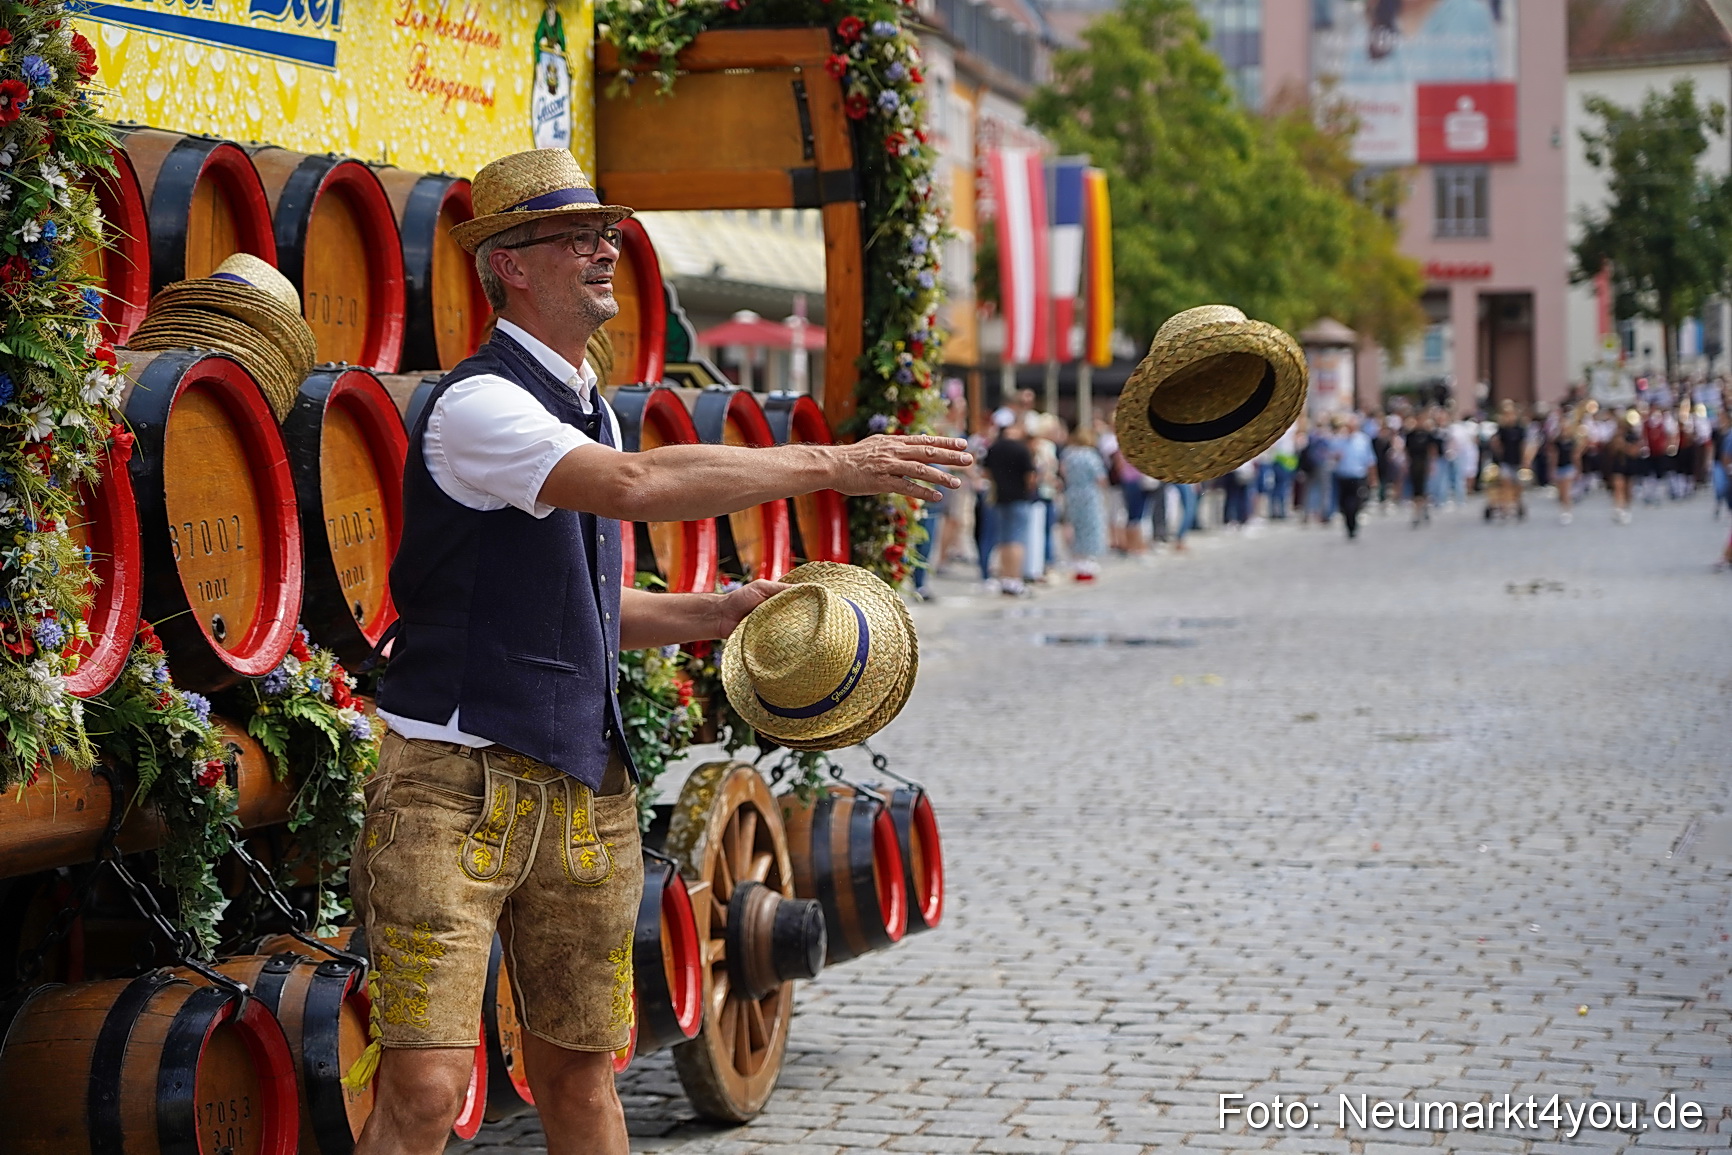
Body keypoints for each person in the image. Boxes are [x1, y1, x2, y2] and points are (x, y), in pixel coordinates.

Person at [358, 150, 971, 1155]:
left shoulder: (584, 401)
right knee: (425, 1090)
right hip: (450, 789)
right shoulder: (480, 404)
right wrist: (834, 463)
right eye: (578, 235)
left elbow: (582, 603)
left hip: (583, 788)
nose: (608, 248)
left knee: (582, 1076)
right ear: (509, 265)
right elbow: (635, 488)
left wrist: (711, 612)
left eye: (608, 232)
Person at [983, 412, 1037, 595]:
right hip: (1019, 498)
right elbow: (1030, 477)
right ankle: (1015, 578)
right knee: (1017, 540)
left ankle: (1005, 578)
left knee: (1004, 540)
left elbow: (986, 472)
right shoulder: (1021, 449)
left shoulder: (994, 448)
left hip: (1000, 497)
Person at [1061, 423, 1109, 579]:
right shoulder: (1090, 455)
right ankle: (1088, 559)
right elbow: (1100, 478)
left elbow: (1063, 472)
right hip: (1089, 493)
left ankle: (1076, 558)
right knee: (1091, 525)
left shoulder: (1068, 454)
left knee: (1076, 525)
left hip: (1072, 492)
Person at [1332, 415, 1377, 540]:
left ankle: (1353, 525)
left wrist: (1373, 478)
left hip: (1357, 475)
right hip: (1343, 475)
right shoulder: (1339, 440)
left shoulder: (1363, 440)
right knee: (1343, 503)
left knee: (1354, 502)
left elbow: (1370, 460)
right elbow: (1332, 457)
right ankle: (1348, 523)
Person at [1404, 412, 1443, 527]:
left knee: (1424, 488)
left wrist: (1432, 464)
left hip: (1424, 463)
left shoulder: (1428, 435)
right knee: (1416, 489)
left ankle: (1423, 508)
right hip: (1414, 464)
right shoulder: (1410, 435)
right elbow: (1407, 450)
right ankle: (1418, 511)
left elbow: (1432, 450)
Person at [1548, 407, 1584, 525]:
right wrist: (1552, 469)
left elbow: (1575, 456)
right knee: (1561, 492)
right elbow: (1553, 456)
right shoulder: (1557, 441)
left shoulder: (1572, 441)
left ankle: (1567, 511)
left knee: (1566, 489)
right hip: (1559, 467)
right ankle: (1563, 508)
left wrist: (1578, 469)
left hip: (1569, 467)